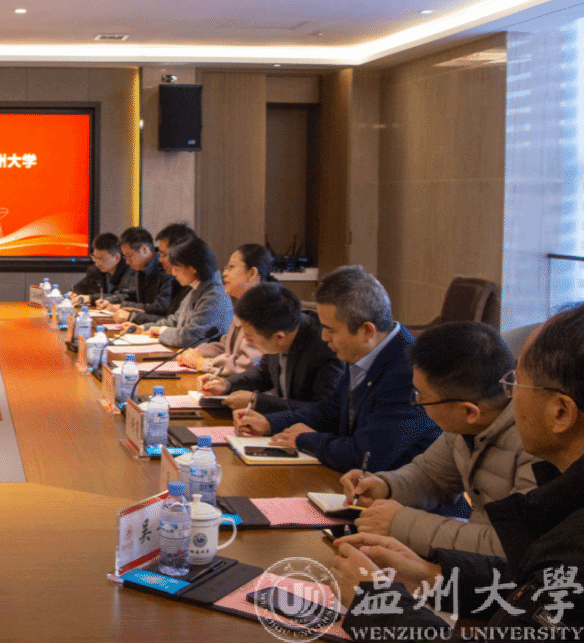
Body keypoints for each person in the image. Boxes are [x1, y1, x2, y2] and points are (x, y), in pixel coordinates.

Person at [333, 307, 584, 635]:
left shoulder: (572, 543)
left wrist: (376, 604)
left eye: (517, 382)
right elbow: (525, 582)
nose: (509, 394)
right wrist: (433, 575)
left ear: (561, 412)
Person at [338, 321, 537, 557]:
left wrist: (400, 522)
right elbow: (431, 476)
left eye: (423, 397)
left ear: (469, 411)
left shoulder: (536, 445)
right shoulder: (464, 426)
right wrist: (385, 485)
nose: (418, 403)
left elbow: (508, 546)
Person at [232, 265, 440, 472]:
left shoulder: (409, 372)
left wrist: (306, 439)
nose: (324, 337)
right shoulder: (364, 350)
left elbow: (366, 456)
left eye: (331, 330)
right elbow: (330, 410)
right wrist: (269, 423)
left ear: (366, 331)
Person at [199, 281, 342, 413]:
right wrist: (226, 384)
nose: (246, 341)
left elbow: (324, 411)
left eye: (249, 337)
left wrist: (256, 402)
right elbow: (263, 374)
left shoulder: (326, 348)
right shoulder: (278, 326)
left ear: (278, 337)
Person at [177, 243, 271, 375]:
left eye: (231, 267)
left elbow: (248, 365)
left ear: (252, 273)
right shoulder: (244, 304)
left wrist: (203, 363)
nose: (225, 273)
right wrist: (197, 352)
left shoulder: (266, 310)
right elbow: (227, 347)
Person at [139, 234, 234, 349]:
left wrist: (161, 331)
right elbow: (174, 321)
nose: (173, 273)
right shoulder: (197, 288)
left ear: (192, 268)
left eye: (177, 269)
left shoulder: (215, 295)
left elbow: (189, 338)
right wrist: (143, 328)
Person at [98, 227, 174, 324]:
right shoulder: (140, 269)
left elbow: (161, 307)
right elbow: (129, 295)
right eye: (125, 257)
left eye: (129, 255)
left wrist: (124, 308)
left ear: (144, 250)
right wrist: (110, 301)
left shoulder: (167, 269)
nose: (127, 262)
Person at [68, 232, 135, 305]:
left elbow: (124, 297)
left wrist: (91, 298)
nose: (97, 263)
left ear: (117, 257)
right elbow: (80, 287)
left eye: (101, 259)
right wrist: (74, 293)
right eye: (95, 257)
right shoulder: (96, 270)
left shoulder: (131, 272)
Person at [154, 223, 198, 316]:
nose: (160, 259)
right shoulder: (178, 282)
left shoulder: (200, 288)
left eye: (164, 254)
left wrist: (133, 316)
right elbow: (170, 318)